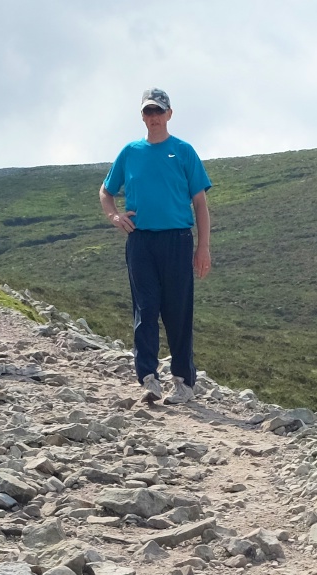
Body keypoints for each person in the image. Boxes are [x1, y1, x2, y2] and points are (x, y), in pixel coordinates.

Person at [100, 88, 211, 405]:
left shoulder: (183, 151)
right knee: (145, 309)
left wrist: (203, 248)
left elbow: (200, 203)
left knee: (178, 311)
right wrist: (114, 216)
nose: (154, 118)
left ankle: (183, 383)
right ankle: (148, 378)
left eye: (159, 111)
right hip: (141, 241)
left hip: (177, 239)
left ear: (169, 114)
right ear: (143, 116)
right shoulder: (131, 152)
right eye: (148, 112)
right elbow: (106, 191)